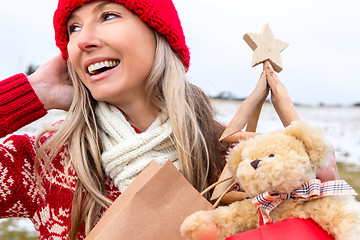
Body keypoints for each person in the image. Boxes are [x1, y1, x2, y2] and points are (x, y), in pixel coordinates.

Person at [0, 0, 338, 239]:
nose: (82, 40)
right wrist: (32, 91)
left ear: (159, 33)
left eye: (108, 16)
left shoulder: (241, 160)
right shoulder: (44, 158)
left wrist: (321, 200)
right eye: (73, 27)